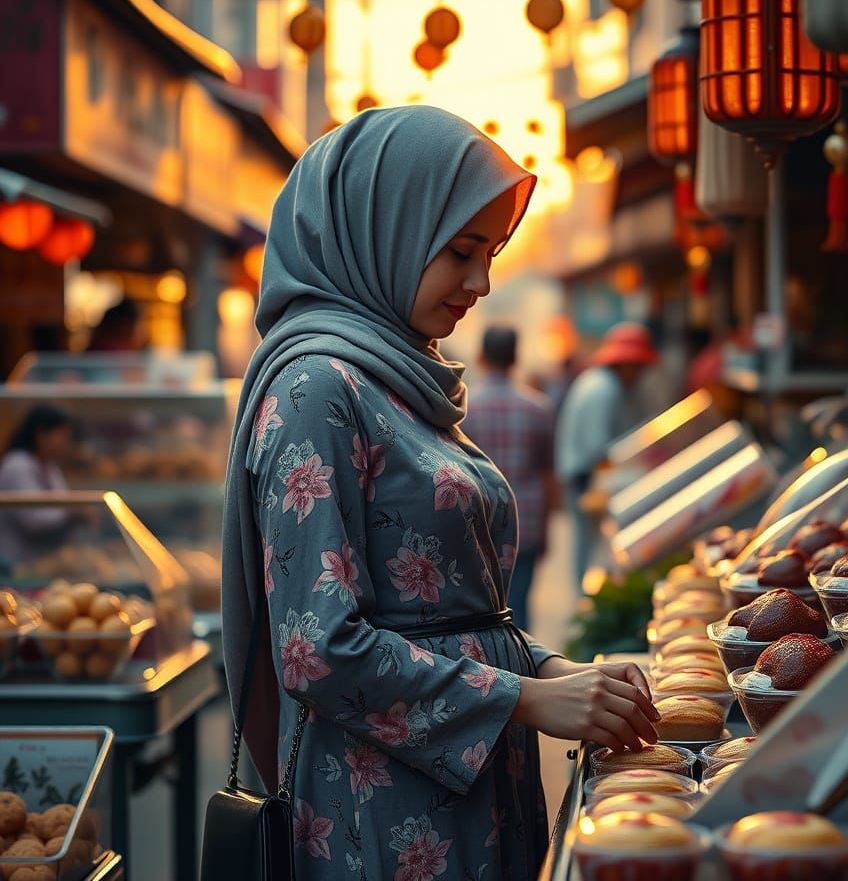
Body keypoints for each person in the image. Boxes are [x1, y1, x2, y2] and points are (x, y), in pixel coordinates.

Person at [221, 107, 659, 881]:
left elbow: (452, 611)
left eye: (489, 254)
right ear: (381, 229)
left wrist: (551, 671)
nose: (481, 283)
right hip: (388, 816)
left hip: (467, 795)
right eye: (461, 252)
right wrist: (521, 700)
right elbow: (317, 650)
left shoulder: (397, 377)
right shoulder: (316, 389)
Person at [461, 326, 555, 633]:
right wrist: (546, 529)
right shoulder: (538, 408)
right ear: (515, 358)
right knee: (520, 606)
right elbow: (548, 474)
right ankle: (525, 659)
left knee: (481, 611)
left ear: (481, 356)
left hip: (478, 524)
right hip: (526, 522)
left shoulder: (462, 409)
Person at [554, 323, 660, 586]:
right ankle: (585, 597)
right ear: (626, 364)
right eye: (638, 367)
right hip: (585, 477)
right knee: (590, 550)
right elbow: (598, 448)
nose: (640, 375)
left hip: (582, 474)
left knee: (587, 547)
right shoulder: (605, 389)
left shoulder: (598, 382)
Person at [0, 405, 77, 567]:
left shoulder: (50, 467)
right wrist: (73, 512)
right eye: (62, 435)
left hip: (38, 562)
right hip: (14, 565)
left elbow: (62, 503)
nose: (66, 443)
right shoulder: (17, 465)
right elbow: (33, 520)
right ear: (42, 434)